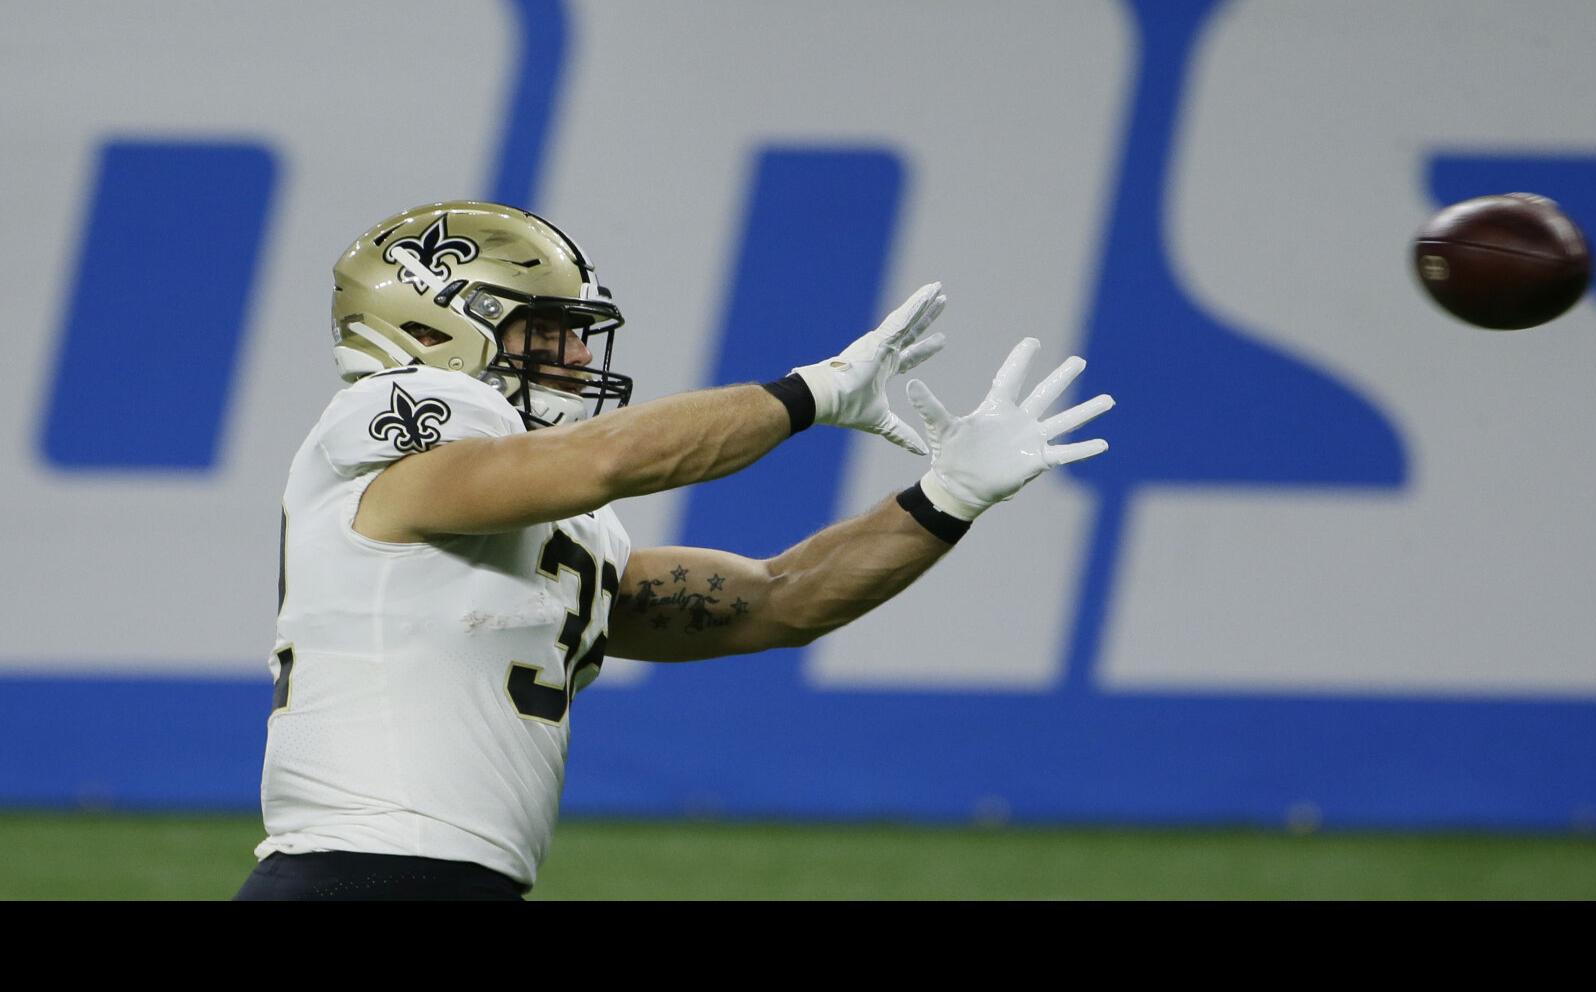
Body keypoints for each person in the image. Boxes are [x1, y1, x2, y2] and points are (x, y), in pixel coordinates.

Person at [235, 201, 1114, 900]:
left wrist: (946, 497)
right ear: (432, 334)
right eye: (546, 331)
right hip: (361, 870)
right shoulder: (393, 421)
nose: (578, 354)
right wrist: (811, 393)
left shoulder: (544, 527)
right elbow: (605, 459)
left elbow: (780, 600)